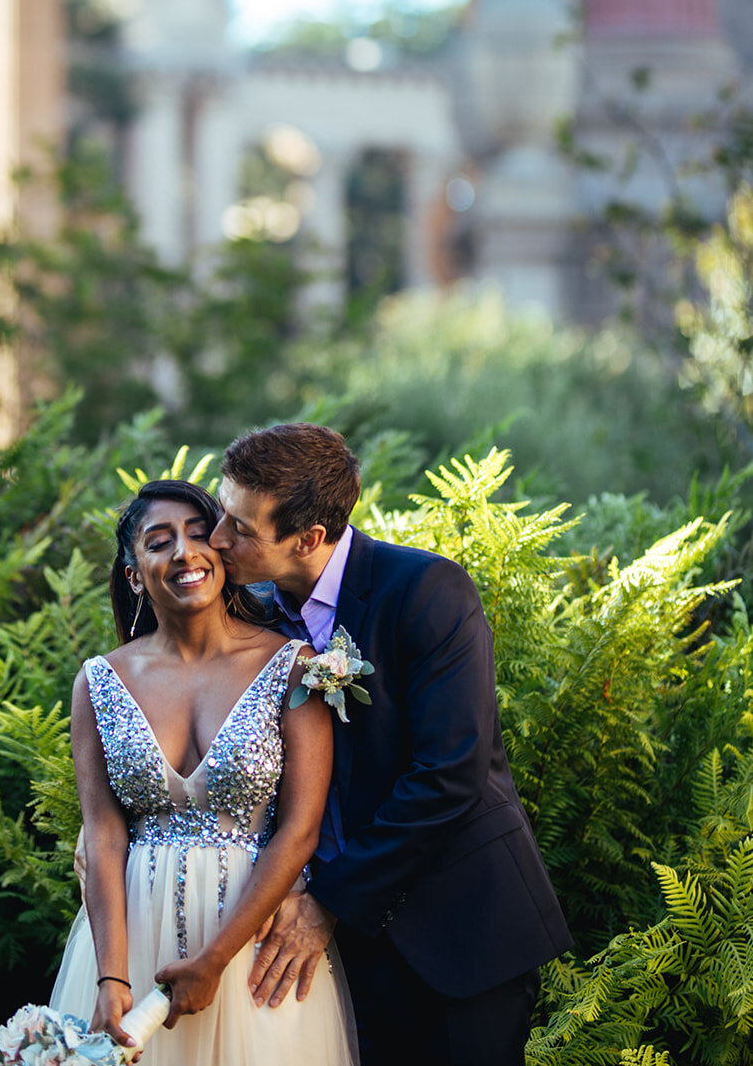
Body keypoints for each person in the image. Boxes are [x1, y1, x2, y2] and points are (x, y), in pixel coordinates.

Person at [209, 423, 572, 1066]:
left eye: (240, 527)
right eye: (221, 515)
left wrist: (329, 900)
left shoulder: (427, 592)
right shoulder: (257, 618)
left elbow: (448, 776)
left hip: (458, 935)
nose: (217, 539)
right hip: (333, 960)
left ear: (308, 539)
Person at [50, 478, 358, 1066]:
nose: (185, 553)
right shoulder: (99, 682)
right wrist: (110, 977)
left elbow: (299, 830)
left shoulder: (294, 667)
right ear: (135, 573)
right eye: (159, 542)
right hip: (131, 935)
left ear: (223, 549)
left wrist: (216, 959)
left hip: (254, 941)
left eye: (198, 534)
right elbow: (105, 837)